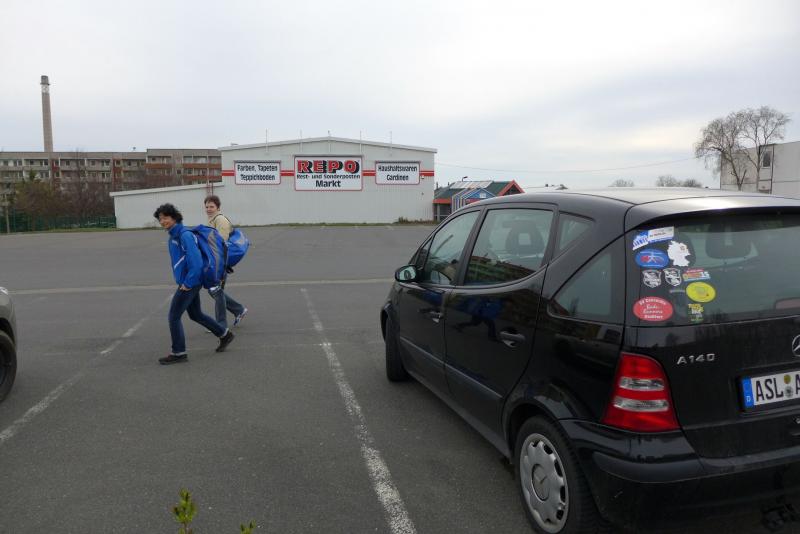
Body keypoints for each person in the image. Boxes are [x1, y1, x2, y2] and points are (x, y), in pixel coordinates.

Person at [154, 203, 235, 365]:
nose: (163, 221)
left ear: (175, 217)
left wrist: (188, 283)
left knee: (173, 316)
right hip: (189, 281)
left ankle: (179, 352)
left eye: (166, 217)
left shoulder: (184, 235)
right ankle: (224, 334)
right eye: (160, 219)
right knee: (195, 314)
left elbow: (196, 262)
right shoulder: (174, 236)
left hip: (190, 282)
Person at [203, 195, 248, 328]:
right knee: (216, 291)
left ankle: (221, 325)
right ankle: (238, 310)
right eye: (207, 207)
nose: (208, 209)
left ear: (218, 207)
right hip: (217, 261)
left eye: (211, 206)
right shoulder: (212, 220)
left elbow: (220, 243)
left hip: (219, 262)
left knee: (216, 291)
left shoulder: (220, 220)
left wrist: (218, 264)